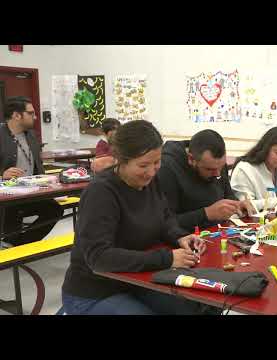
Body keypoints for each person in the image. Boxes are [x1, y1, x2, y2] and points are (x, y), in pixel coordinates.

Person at [61, 120, 218, 315]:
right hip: (93, 292)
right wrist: (166, 259)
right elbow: (99, 258)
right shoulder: (101, 193)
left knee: (195, 306)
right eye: (143, 165)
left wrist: (179, 236)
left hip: (135, 280)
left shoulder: (151, 181)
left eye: (157, 162)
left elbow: (165, 218)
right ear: (120, 160)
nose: (152, 171)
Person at [156, 129, 253, 232]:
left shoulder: (215, 164)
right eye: (209, 169)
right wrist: (206, 214)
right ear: (191, 159)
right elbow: (164, 223)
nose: (218, 174)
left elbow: (228, 195)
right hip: (185, 239)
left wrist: (237, 205)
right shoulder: (167, 169)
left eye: (221, 167)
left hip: (217, 232)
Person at [0, 96, 63, 246]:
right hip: (6, 197)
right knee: (12, 214)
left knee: (54, 210)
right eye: (31, 113)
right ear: (16, 115)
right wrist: (2, 175)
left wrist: (50, 184)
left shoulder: (31, 135)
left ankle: (20, 246)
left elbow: (37, 166)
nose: (35, 117)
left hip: (30, 192)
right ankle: (13, 246)